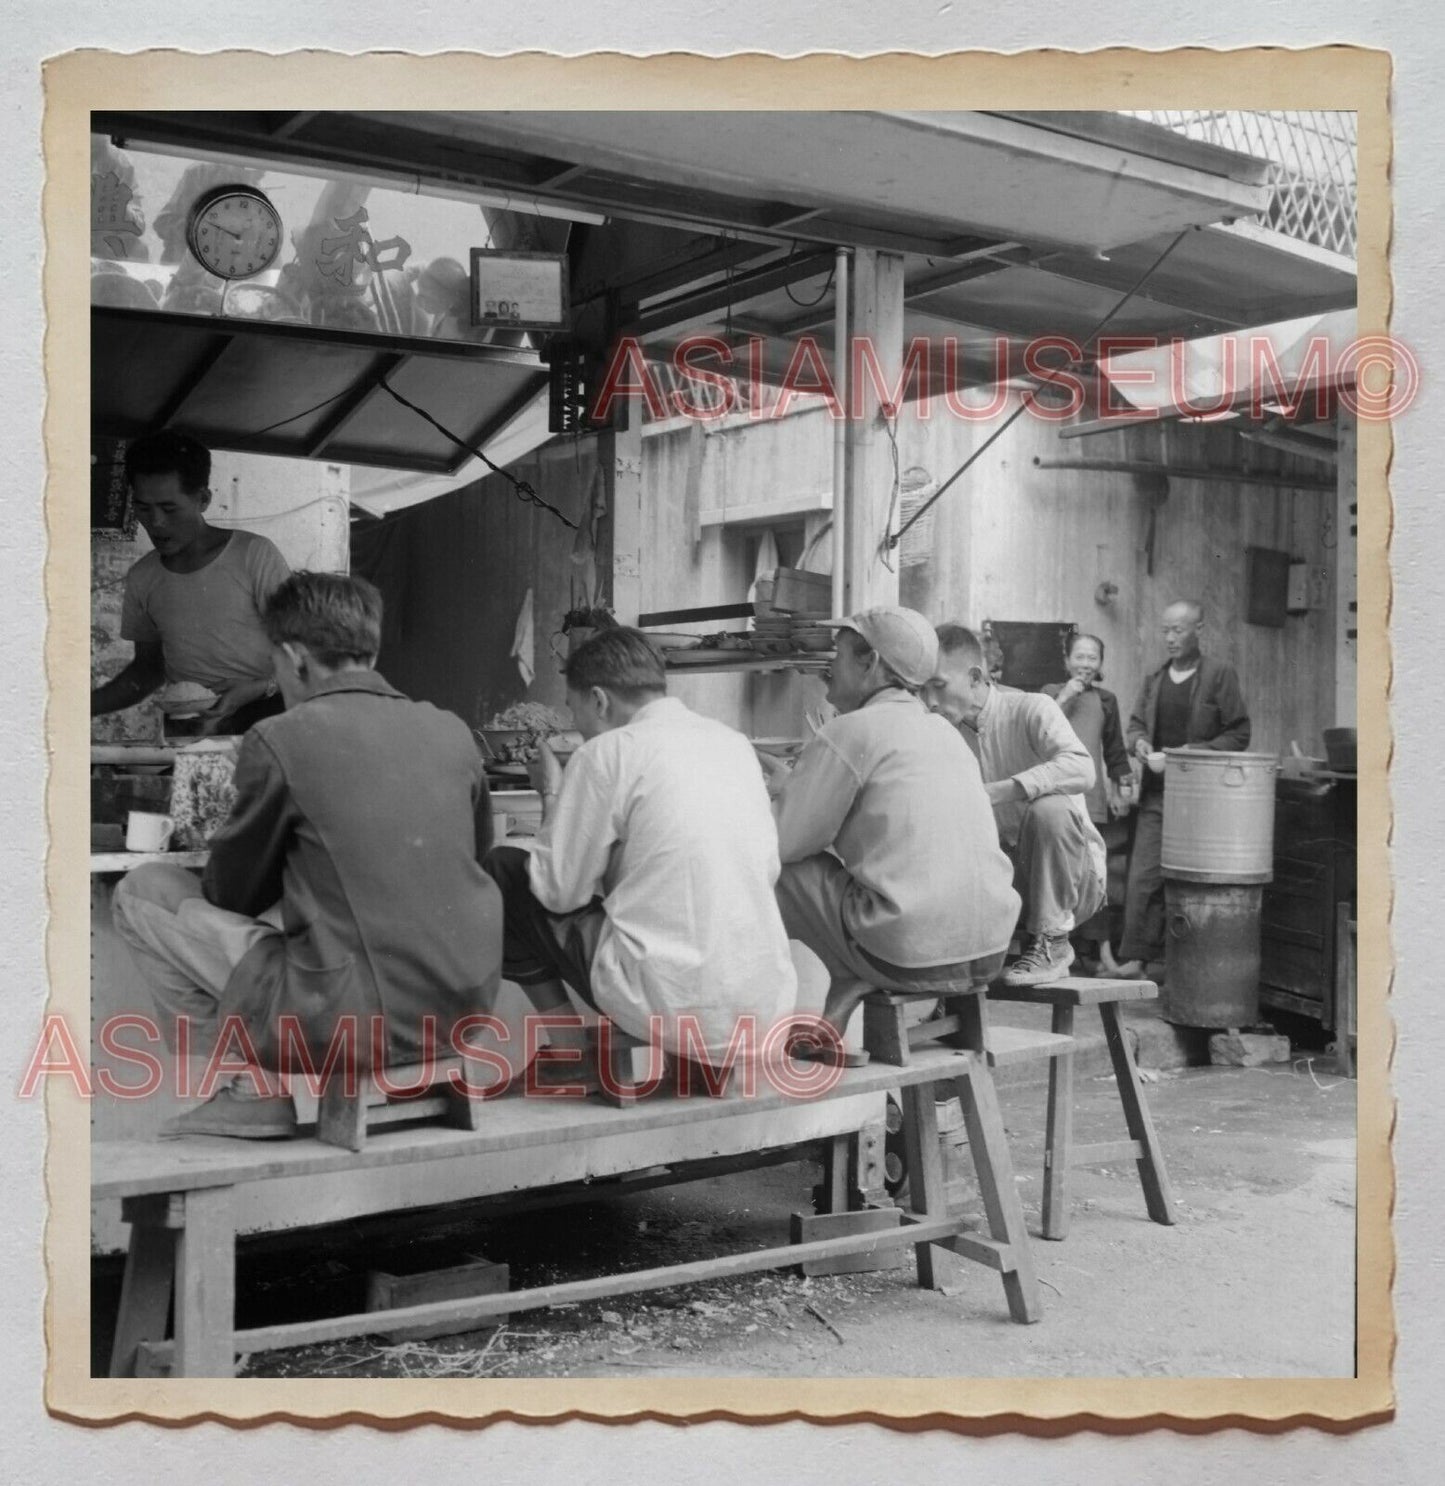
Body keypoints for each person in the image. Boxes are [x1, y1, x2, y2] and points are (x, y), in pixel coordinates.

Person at [112, 573, 505, 1138]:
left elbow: (233, 894)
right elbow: (476, 857)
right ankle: (252, 1087)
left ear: (294, 659)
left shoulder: (280, 737)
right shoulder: (452, 731)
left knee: (143, 891)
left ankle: (249, 1090)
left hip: (344, 1020)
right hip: (463, 1014)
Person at [483, 627, 797, 1073]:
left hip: (668, 1000)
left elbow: (558, 893)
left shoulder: (609, 752)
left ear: (599, 700)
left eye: (575, 712)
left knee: (506, 871)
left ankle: (571, 1050)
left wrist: (551, 794)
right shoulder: (732, 744)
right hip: (762, 1006)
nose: (578, 729)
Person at [768, 605, 1020, 1038]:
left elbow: (783, 843)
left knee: (776, 871)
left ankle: (750, 1013)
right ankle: (850, 981)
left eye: (839, 653)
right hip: (991, 952)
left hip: (909, 955)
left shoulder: (851, 731)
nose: (830, 665)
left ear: (871, 664)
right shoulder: (945, 731)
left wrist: (782, 791)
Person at [926, 624, 1107, 986]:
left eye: (939, 686)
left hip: (1074, 883)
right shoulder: (942, 731)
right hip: (1009, 882)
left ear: (975, 677)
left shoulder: (1031, 708)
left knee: (1049, 809)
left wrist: (1004, 790)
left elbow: (1082, 768)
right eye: (923, 688)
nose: (930, 700)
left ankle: (1054, 942)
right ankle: (957, 965)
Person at [91, 431, 291, 736]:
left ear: (203, 499)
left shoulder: (254, 555)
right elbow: (148, 670)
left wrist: (261, 688)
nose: (156, 522)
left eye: (169, 509)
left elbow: (307, 653)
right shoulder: (142, 577)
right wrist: (78, 707)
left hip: (267, 724)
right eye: (143, 508)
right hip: (188, 730)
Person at [1115, 599, 1252, 979]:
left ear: (1198, 630)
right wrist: (1140, 743)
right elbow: (1135, 725)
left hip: (1203, 799)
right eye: (1166, 630)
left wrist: (1197, 751)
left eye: (1178, 629)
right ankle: (1138, 959)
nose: (1170, 638)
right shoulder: (1155, 678)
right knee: (1144, 875)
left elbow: (1240, 733)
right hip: (1158, 793)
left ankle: (1182, 963)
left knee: (1191, 877)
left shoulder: (1219, 674)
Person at [1043, 632, 1135, 973]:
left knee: (1096, 876)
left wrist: (1122, 787)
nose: (1085, 664)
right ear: (1067, 660)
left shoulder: (1107, 700)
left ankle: (1103, 954)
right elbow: (1043, 725)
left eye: (1092, 658)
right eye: (1079, 657)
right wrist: (1069, 693)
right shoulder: (1050, 694)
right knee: (1058, 874)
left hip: (1092, 800)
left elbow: (1115, 751)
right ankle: (1057, 951)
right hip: (1054, 797)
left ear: (1100, 664)